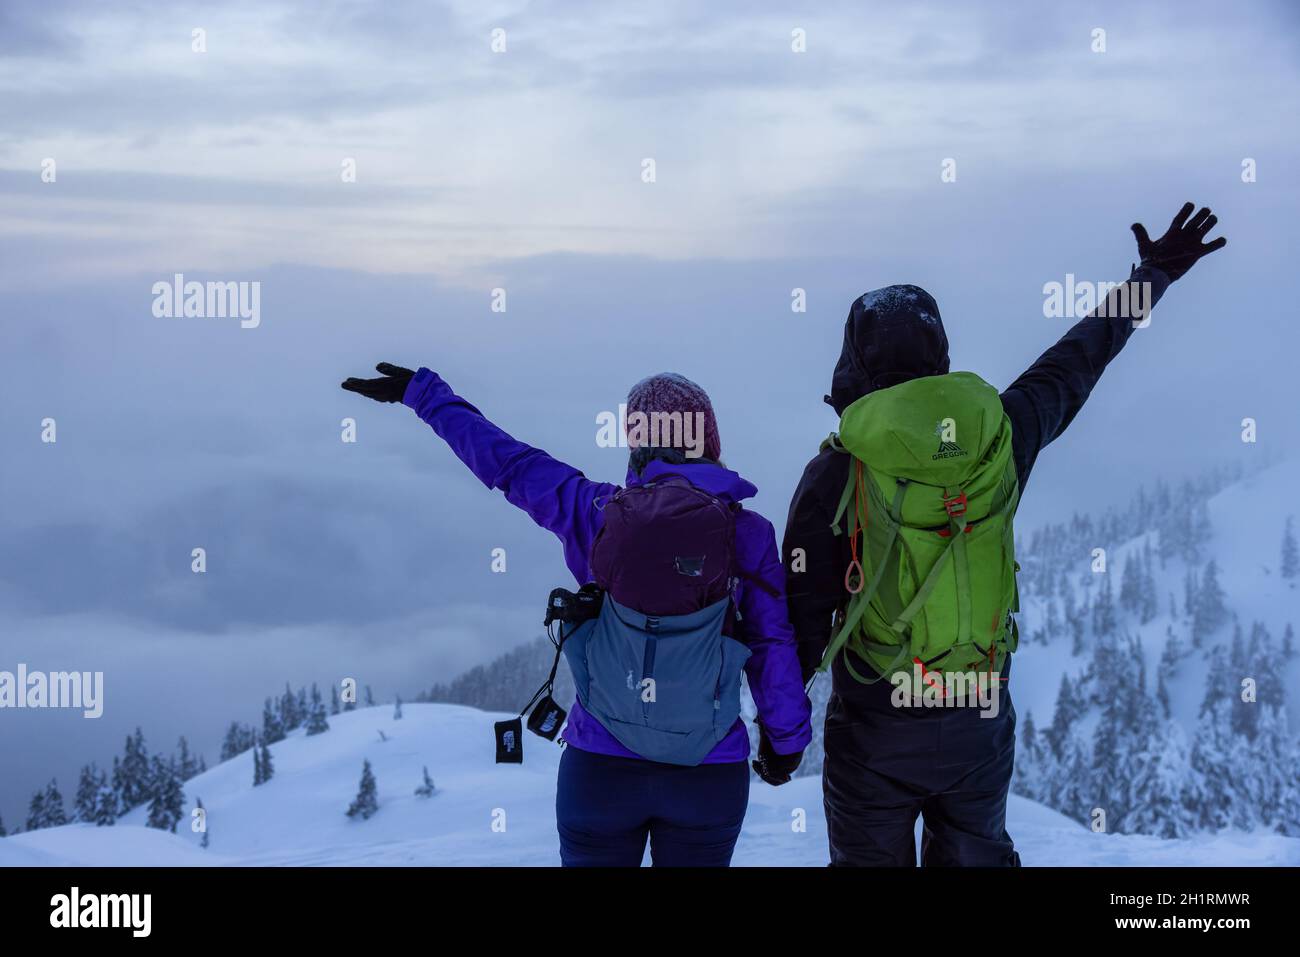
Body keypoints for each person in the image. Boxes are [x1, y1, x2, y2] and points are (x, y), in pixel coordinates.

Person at [783, 203, 1226, 866]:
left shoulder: (837, 470)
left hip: (874, 727)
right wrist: (1152, 276)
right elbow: (1072, 365)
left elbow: (803, 620)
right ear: (940, 356)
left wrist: (779, 737)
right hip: (977, 720)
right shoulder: (999, 435)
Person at [342, 366, 811, 866]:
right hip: (707, 773)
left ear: (635, 443)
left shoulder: (595, 512)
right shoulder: (747, 533)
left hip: (600, 772)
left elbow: (511, 465)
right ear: (709, 439)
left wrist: (426, 397)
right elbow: (771, 644)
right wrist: (785, 741)